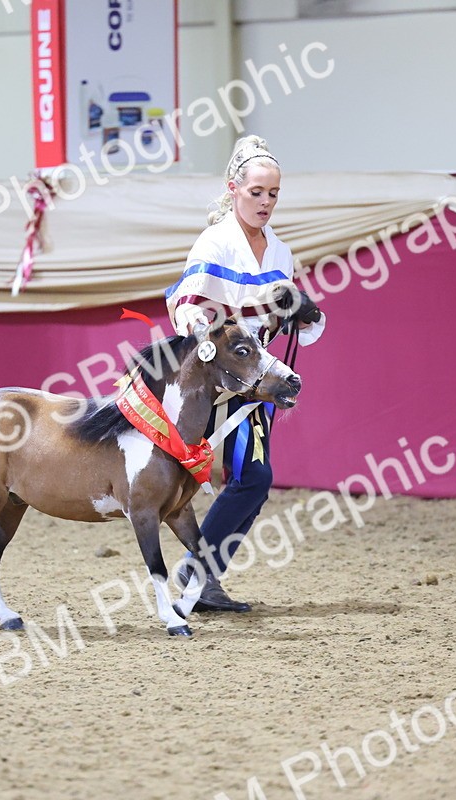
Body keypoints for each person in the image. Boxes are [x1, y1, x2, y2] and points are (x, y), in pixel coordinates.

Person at [165, 135, 325, 612]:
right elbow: (187, 306)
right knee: (252, 479)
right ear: (233, 188)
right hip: (217, 377)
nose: (266, 202)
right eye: (257, 192)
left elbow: (282, 315)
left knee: (253, 481)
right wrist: (206, 329)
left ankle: (204, 577)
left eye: (273, 194)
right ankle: (199, 568)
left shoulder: (280, 252)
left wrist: (298, 311)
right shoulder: (215, 242)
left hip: (254, 378)